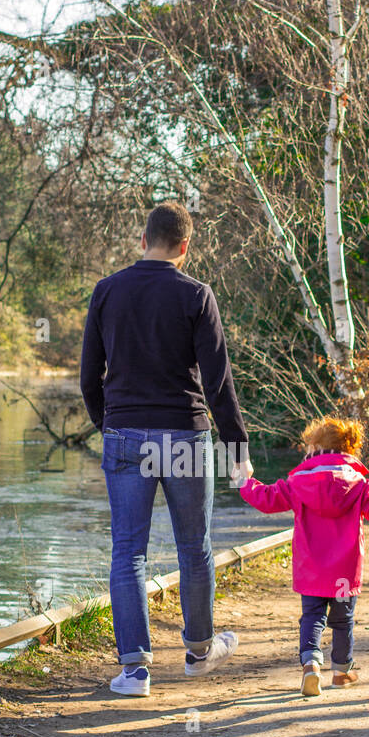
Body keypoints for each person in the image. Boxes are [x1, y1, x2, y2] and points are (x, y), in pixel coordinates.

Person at [80, 200, 252, 697]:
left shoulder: (107, 292)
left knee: (128, 552)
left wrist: (107, 423)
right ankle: (199, 651)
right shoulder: (196, 295)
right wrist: (237, 444)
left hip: (125, 433)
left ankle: (135, 671)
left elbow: (90, 375)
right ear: (185, 247)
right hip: (183, 435)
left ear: (142, 240)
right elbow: (218, 382)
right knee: (193, 547)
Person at [237, 415, 369, 696]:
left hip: (311, 569)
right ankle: (341, 671)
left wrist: (244, 481)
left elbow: (266, 499)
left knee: (312, 616)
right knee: (343, 620)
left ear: (317, 448)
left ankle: (311, 666)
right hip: (345, 569)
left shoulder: (297, 482)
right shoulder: (358, 484)